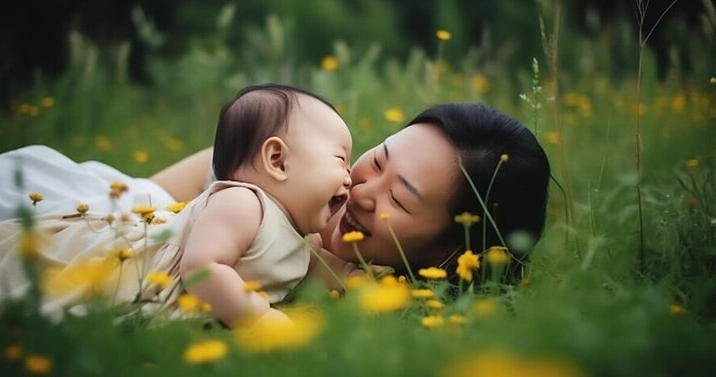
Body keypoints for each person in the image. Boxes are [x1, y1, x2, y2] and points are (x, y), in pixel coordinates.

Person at [0, 84, 353, 327]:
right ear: (278, 160)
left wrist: (357, 276)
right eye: (340, 159)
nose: (349, 175)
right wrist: (257, 319)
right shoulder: (243, 203)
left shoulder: (295, 235)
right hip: (124, 267)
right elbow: (202, 267)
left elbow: (311, 270)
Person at [154, 103, 551, 282]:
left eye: (399, 199)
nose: (360, 191)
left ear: (447, 253)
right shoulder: (260, 171)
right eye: (378, 160)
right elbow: (133, 201)